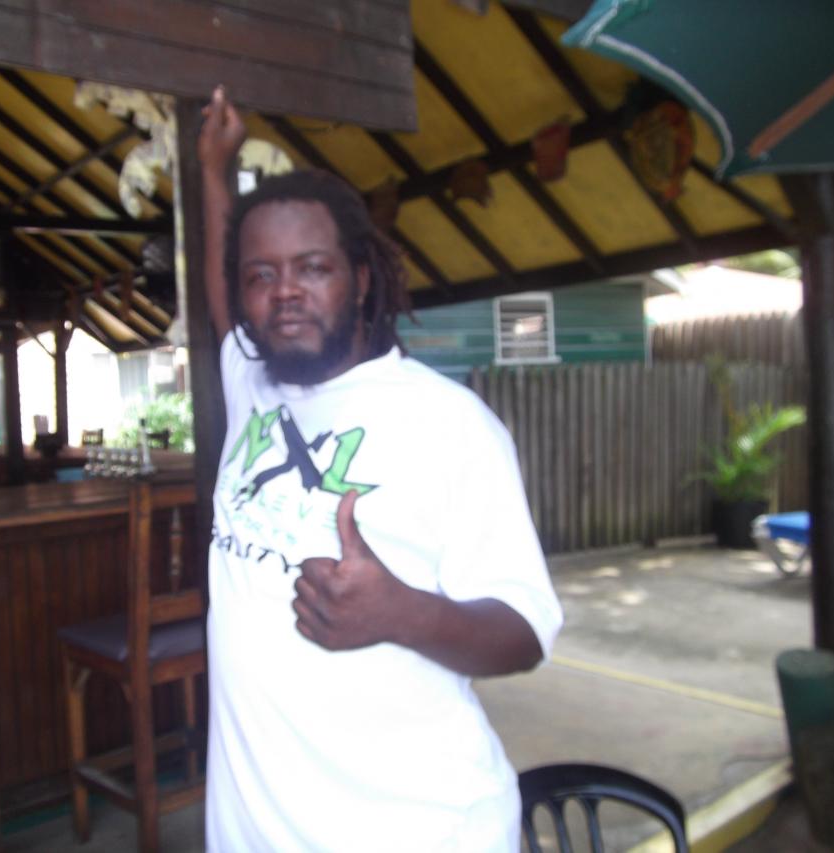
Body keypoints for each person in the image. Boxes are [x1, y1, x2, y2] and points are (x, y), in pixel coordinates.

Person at [198, 85, 563, 852]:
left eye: (313, 268)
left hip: (420, 830)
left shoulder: (451, 424)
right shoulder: (251, 380)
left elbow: (526, 632)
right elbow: (222, 293)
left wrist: (402, 612)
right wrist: (213, 171)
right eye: (262, 275)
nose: (284, 293)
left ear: (361, 277)